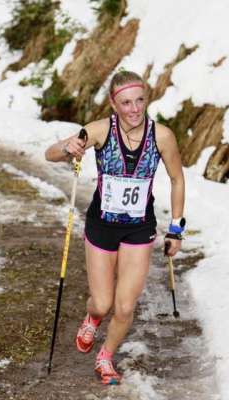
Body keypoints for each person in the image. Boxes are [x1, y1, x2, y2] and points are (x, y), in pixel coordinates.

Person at [44, 70, 185, 385]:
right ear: (113, 103)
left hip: (139, 228)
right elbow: (50, 154)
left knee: (124, 305)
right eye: (126, 103)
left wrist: (176, 227)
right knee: (103, 302)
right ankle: (93, 316)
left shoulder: (161, 136)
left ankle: (105, 356)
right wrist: (68, 148)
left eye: (140, 101)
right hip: (102, 226)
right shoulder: (98, 130)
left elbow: (177, 179)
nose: (134, 109)